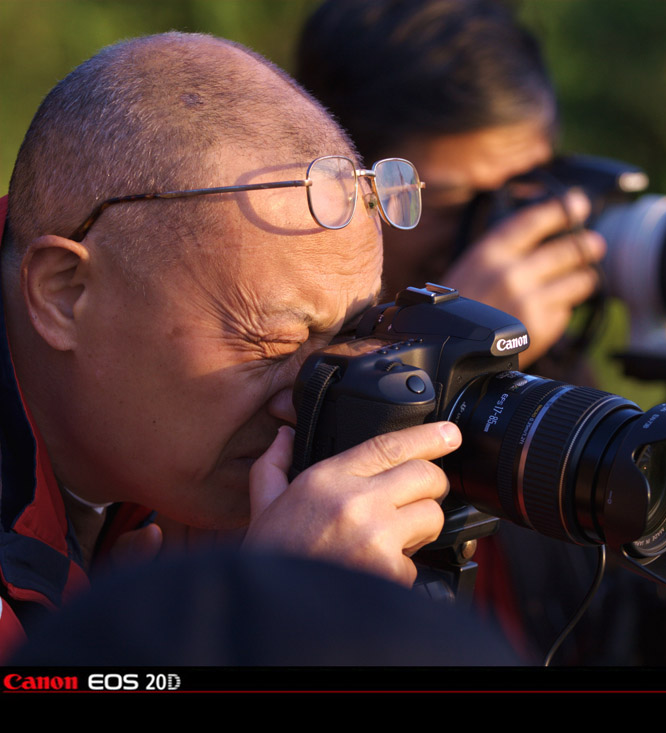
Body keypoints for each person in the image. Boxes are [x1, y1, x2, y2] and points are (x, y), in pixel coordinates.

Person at [296, 0, 666, 663]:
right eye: (454, 203)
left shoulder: (541, 377)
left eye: (520, 199)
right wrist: (449, 336)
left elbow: (609, 637)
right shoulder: (267, 386)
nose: (496, 236)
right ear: (344, 184)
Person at [0, 31, 474, 659]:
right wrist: (260, 621)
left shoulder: (143, 453)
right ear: (65, 295)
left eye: (350, 338)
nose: (307, 400)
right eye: (274, 345)